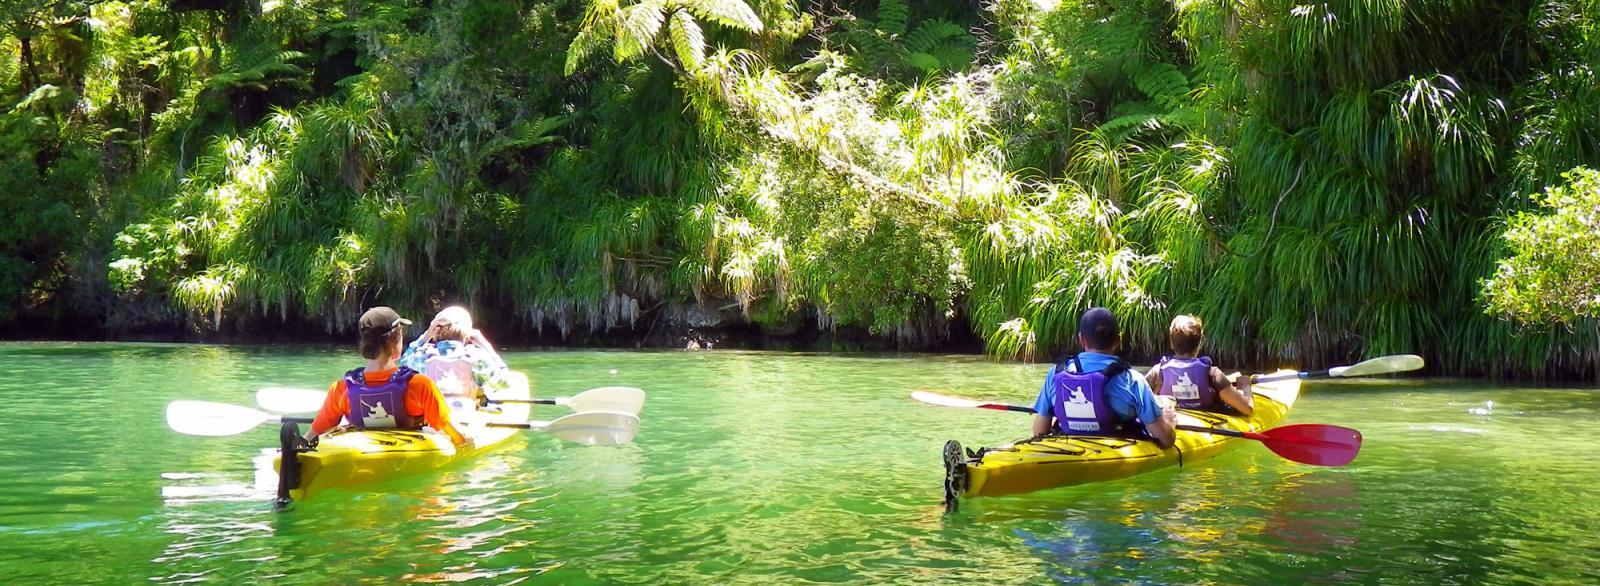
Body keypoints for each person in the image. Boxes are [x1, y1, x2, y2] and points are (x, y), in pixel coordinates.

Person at [304, 306, 467, 446]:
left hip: (359, 456)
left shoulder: (341, 389)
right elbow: (458, 437)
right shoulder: (419, 385)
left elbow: (311, 437)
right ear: (396, 341)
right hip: (406, 457)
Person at [1031, 307, 1177, 447]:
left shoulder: (1056, 374)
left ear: (1081, 340)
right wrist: (1170, 422)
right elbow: (1166, 440)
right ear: (1118, 341)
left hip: (1068, 447)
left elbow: (1039, 432)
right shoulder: (1132, 380)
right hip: (1114, 452)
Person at [397, 306, 513, 404]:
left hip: (435, 418)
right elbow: (504, 384)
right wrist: (488, 348)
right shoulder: (477, 356)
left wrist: (425, 337)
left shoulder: (420, 356)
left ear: (435, 332)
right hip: (466, 415)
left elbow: (403, 362)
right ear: (468, 334)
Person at [1144, 314, 1254, 416]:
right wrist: (1245, 385)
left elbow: (1137, 401)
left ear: (1172, 344)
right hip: (1209, 429)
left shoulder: (1158, 371)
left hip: (1175, 427)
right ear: (1199, 343)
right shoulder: (1213, 374)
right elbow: (1247, 408)